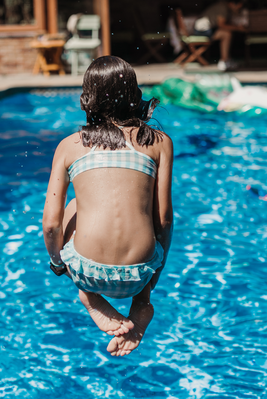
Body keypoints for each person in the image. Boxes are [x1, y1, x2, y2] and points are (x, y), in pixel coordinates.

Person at [42, 56, 174, 357]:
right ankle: (142, 302)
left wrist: (59, 265)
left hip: (86, 270)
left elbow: (50, 224)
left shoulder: (68, 146)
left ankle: (88, 296)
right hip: (141, 272)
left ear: (88, 99)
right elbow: (164, 219)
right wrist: (155, 271)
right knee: (143, 216)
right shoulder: (159, 142)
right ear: (133, 94)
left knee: (75, 204)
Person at [193, 0, 246, 71]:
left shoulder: (224, 6)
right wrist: (238, 28)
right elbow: (221, 25)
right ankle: (224, 61)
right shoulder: (223, 7)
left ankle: (226, 59)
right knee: (226, 34)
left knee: (226, 32)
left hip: (206, 29)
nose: (238, 9)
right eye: (238, 7)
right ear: (232, 4)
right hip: (202, 31)